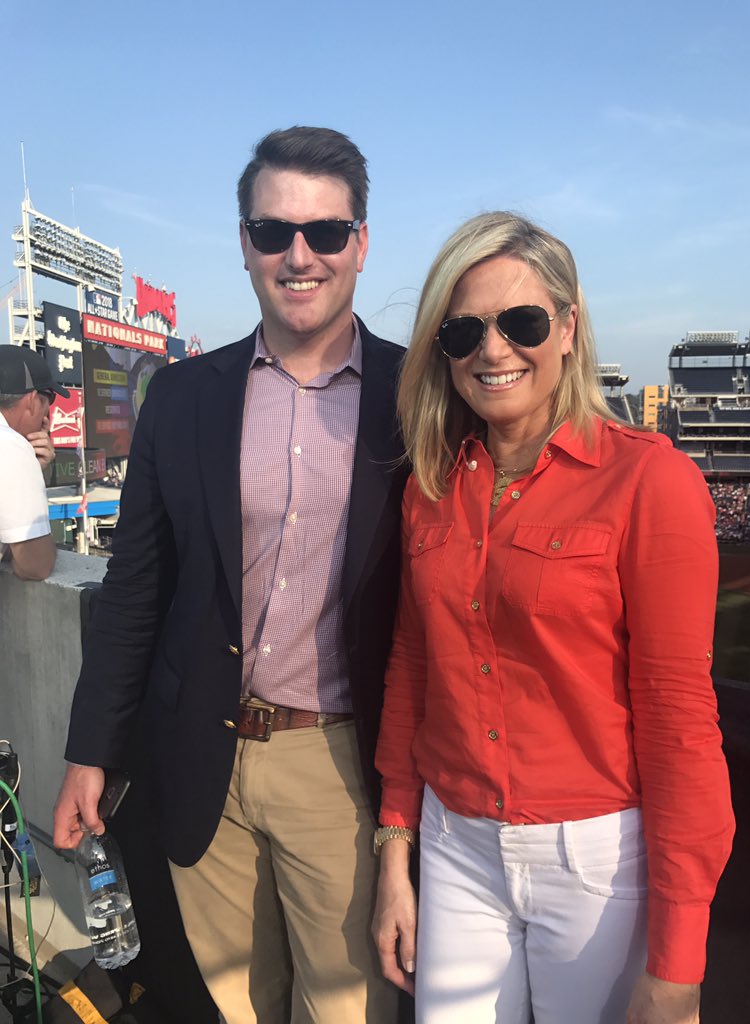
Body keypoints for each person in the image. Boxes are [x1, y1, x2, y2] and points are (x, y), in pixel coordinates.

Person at [53, 127, 408, 1024]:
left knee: (348, 1011)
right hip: (199, 753)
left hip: (341, 767)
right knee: (225, 1008)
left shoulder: (416, 398)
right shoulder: (182, 394)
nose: (300, 255)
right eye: (273, 230)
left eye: (326, 233)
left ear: (360, 243)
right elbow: (136, 586)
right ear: (244, 243)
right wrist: (89, 751)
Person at [371, 211, 735, 1024]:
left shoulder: (650, 482)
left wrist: (678, 960)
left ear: (568, 329)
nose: (493, 350)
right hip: (452, 841)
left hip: (599, 860)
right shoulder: (431, 486)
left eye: (523, 322)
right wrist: (395, 852)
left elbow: (680, 720)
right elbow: (412, 669)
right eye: (464, 331)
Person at [0, 345, 62, 580]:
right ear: (33, 399)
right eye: (51, 399)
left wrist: (34, 469)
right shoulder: (10, 445)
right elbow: (36, 565)